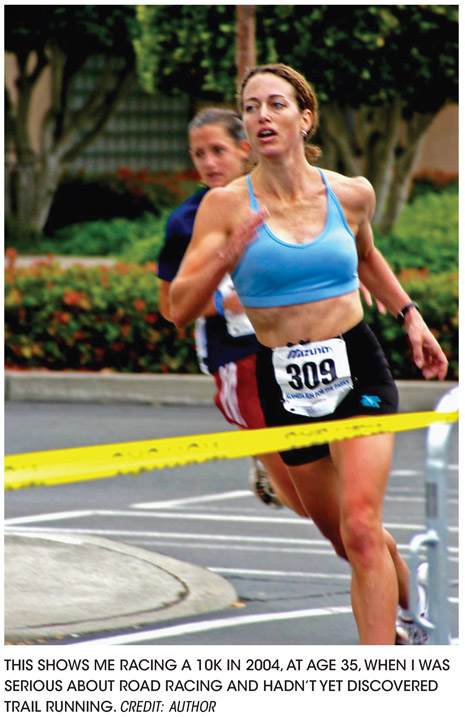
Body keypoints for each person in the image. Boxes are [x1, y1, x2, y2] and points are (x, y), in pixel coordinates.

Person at [170, 64, 448, 645]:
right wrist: (225, 259)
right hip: (282, 378)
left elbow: (367, 255)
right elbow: (178, 307)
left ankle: (380, 673)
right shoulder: (224, 207)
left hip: (355, 364)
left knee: (363, 528)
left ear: (305, 117)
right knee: (342, 536)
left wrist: (410, 316)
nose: (263, 115)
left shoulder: (351, 192)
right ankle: (412, 613)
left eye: (275, 104)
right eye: (251, 107)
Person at [157, 107, 307, 515]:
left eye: (217, 151)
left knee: (330, 481)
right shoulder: (186, 222)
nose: (208, 163)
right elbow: (170, 308)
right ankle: (265, 460)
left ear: (245, 148)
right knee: (306, 503)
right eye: (198, 154)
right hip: (237, 357)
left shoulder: (282, 200)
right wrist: (227, 301)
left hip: (299, 347)